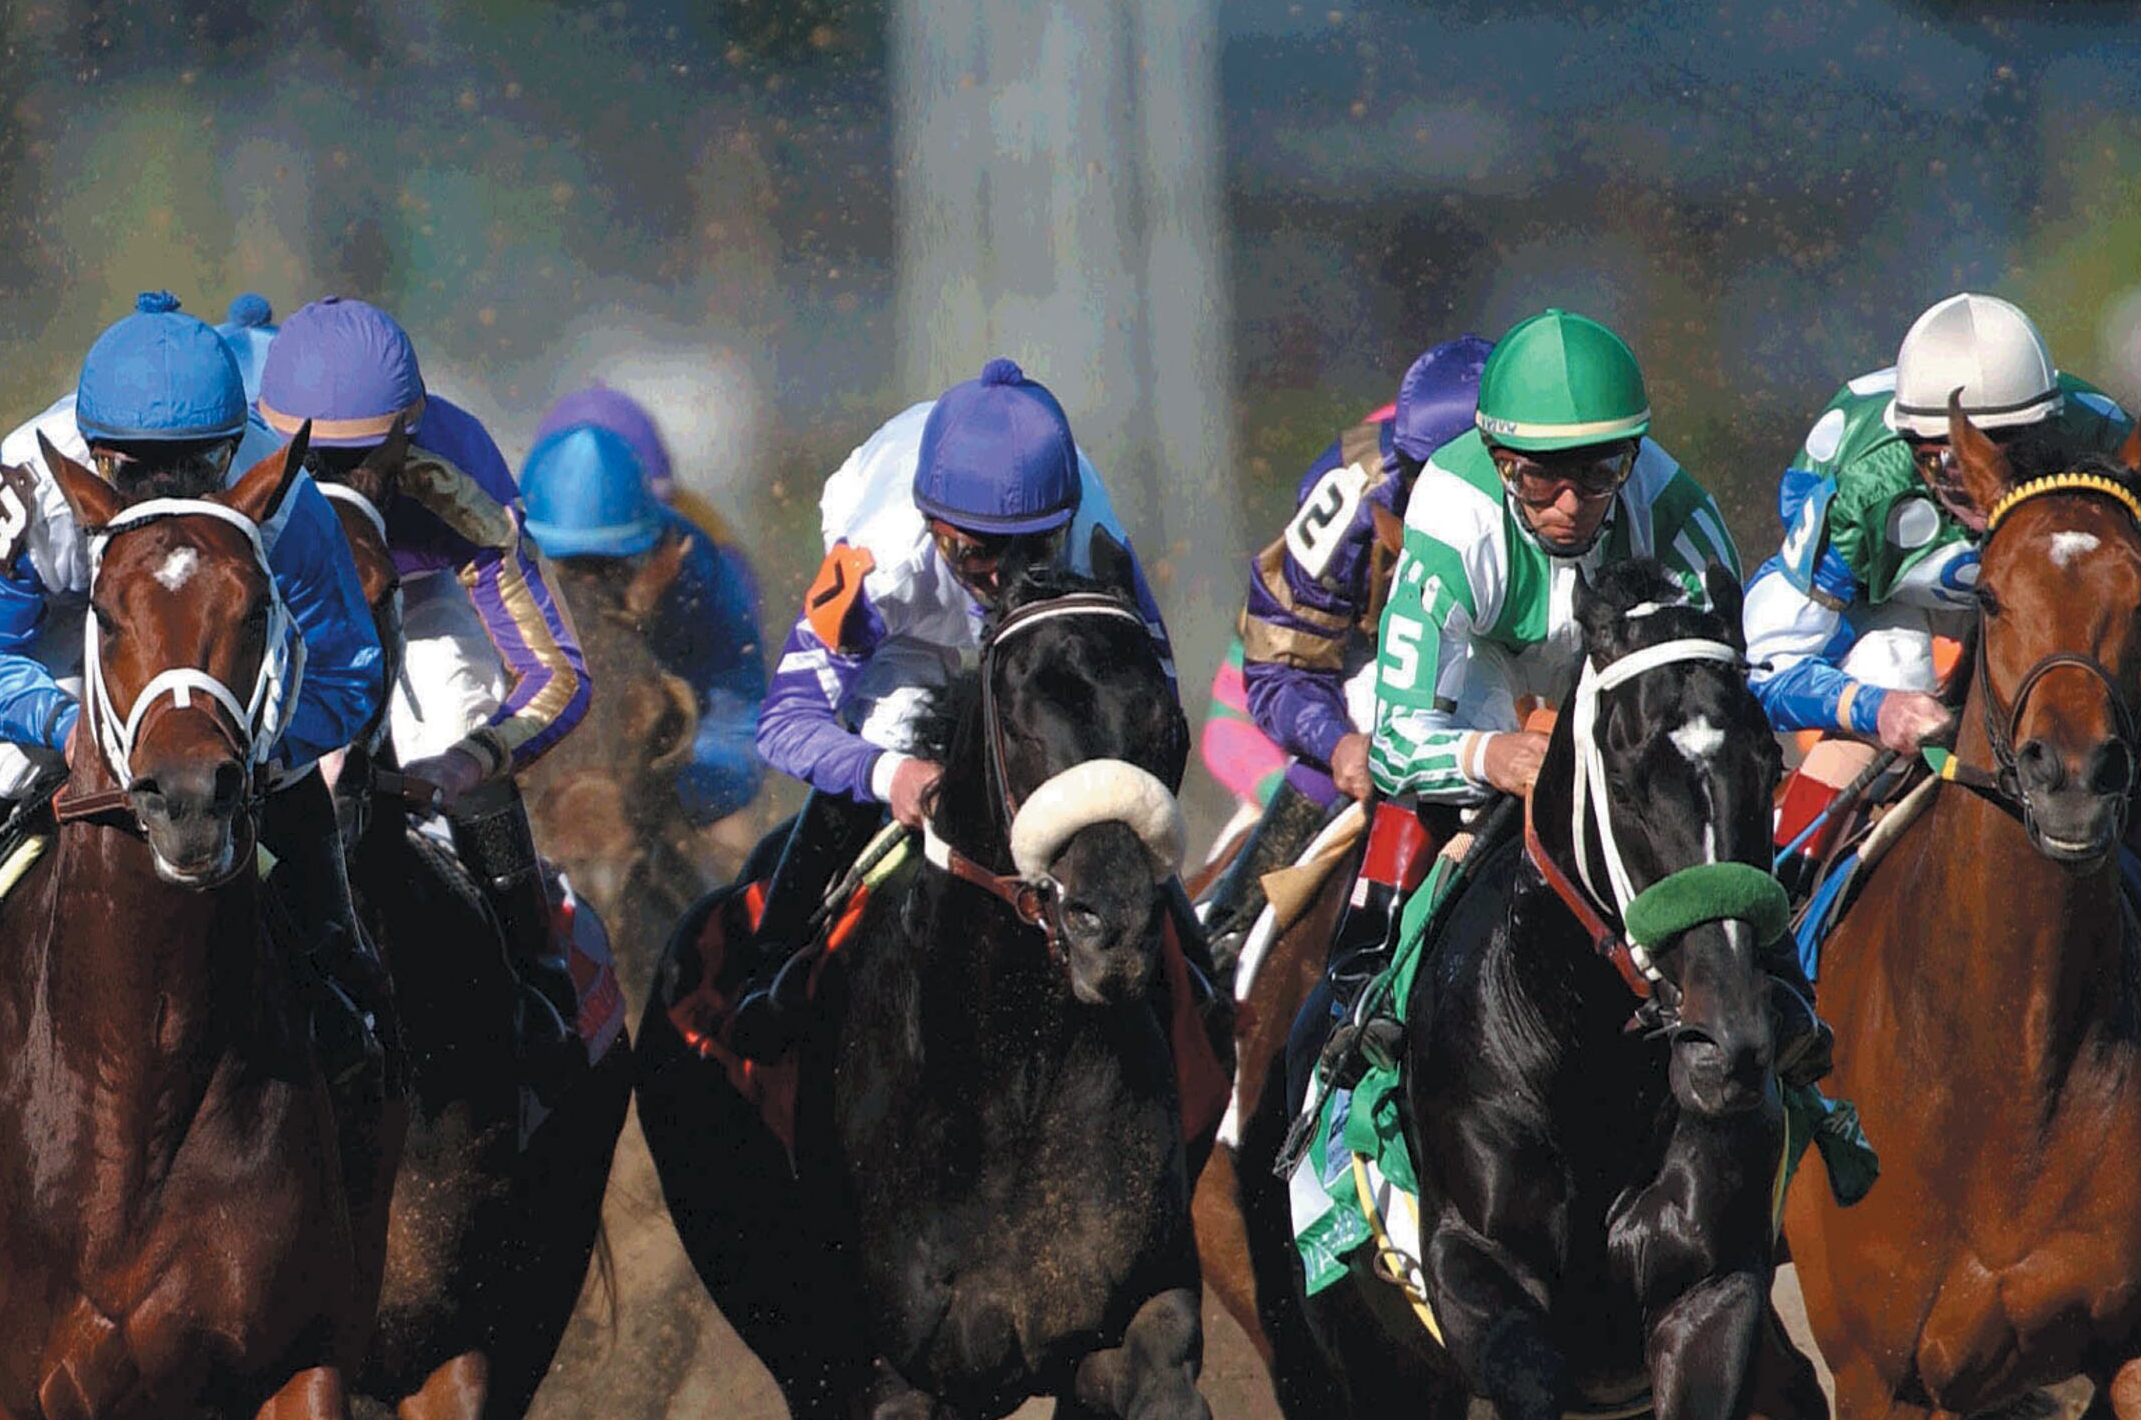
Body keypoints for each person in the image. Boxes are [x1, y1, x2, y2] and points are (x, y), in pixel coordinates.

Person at [0, 289, 386, 1075]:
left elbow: (347, 665)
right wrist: (66, 728)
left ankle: (343, 979)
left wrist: (262, 742)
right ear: (92, 455)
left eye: (200, 467)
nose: (169, 489)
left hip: (216, 647)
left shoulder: (285, 498)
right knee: (2, 759)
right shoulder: (28, 482)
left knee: (286, 769)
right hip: (72, 634)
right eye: (133, 470)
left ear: (235, 447)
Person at [1745, 290, 2141, 1042]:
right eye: (1943, 457)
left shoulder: (2109, 451)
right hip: (1894, 616)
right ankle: (1762, 943)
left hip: (2050, 620)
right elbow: (1769, 661)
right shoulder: (1866, 488)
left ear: (2048, 432)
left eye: (2006, 449)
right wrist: (1877, 710)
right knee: (1886, 683)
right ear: (1910, 444)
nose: (1972, 476)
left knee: (2096, 752)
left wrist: (2097, 708)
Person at [1297, 308, 1743, 1089]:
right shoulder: (1452, 519)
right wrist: (1489, 755)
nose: (1569, 503)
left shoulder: (1681, 520)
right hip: (1486, 671)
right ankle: (1359, 995)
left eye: (1599, 473)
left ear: (1632, 457)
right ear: (1500, 462)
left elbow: (1727, 711)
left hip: (1618, 666)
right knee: (1453, 804)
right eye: (1540, 478)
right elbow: (1396, 743)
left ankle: (1780, 985)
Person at [721, 358, 1164, 1048]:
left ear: (1062, 529)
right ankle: (769, 969)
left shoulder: (1091, 545)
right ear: (932, 526)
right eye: (976, 553)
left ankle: (1200, 968)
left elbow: (1158, 703)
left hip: (1052, 613)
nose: (1003, 579)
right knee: (897, 727)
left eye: (1030, 549)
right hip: (913, 628)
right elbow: (785, 720)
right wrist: (889, 773)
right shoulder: (880, 561)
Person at [256, 296, 593, 1047]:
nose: (336, 483)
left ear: (406, 440)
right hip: (282, 592)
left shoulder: (460, 479)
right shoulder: (240, 464)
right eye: (313, 462)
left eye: (361, 463)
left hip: (418, 594)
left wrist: (469, 761)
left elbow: (558, 674)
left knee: (453, 715)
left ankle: (535, 973)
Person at [1191, 337, 1496, 957]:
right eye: (1418, 477)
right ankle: (1224, 944)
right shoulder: (1355, 492)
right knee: (1358, 725)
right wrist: (1335, 744)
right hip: (1344, 675)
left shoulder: (1575, 489)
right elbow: (1280, 667)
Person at [515, 421, 765, 830]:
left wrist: (665, 793)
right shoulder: (482, 571)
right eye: (569, 570)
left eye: (614, 568)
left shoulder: (695, 570)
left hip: (650, 810)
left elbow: (740, 726)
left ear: (659, 555)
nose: (591, 590)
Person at [536, 381, 762, 608]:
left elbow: (744, 616)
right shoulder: (520, 550)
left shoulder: (707, 551)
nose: (595, 580)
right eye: (575, 564)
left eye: (619, 560)